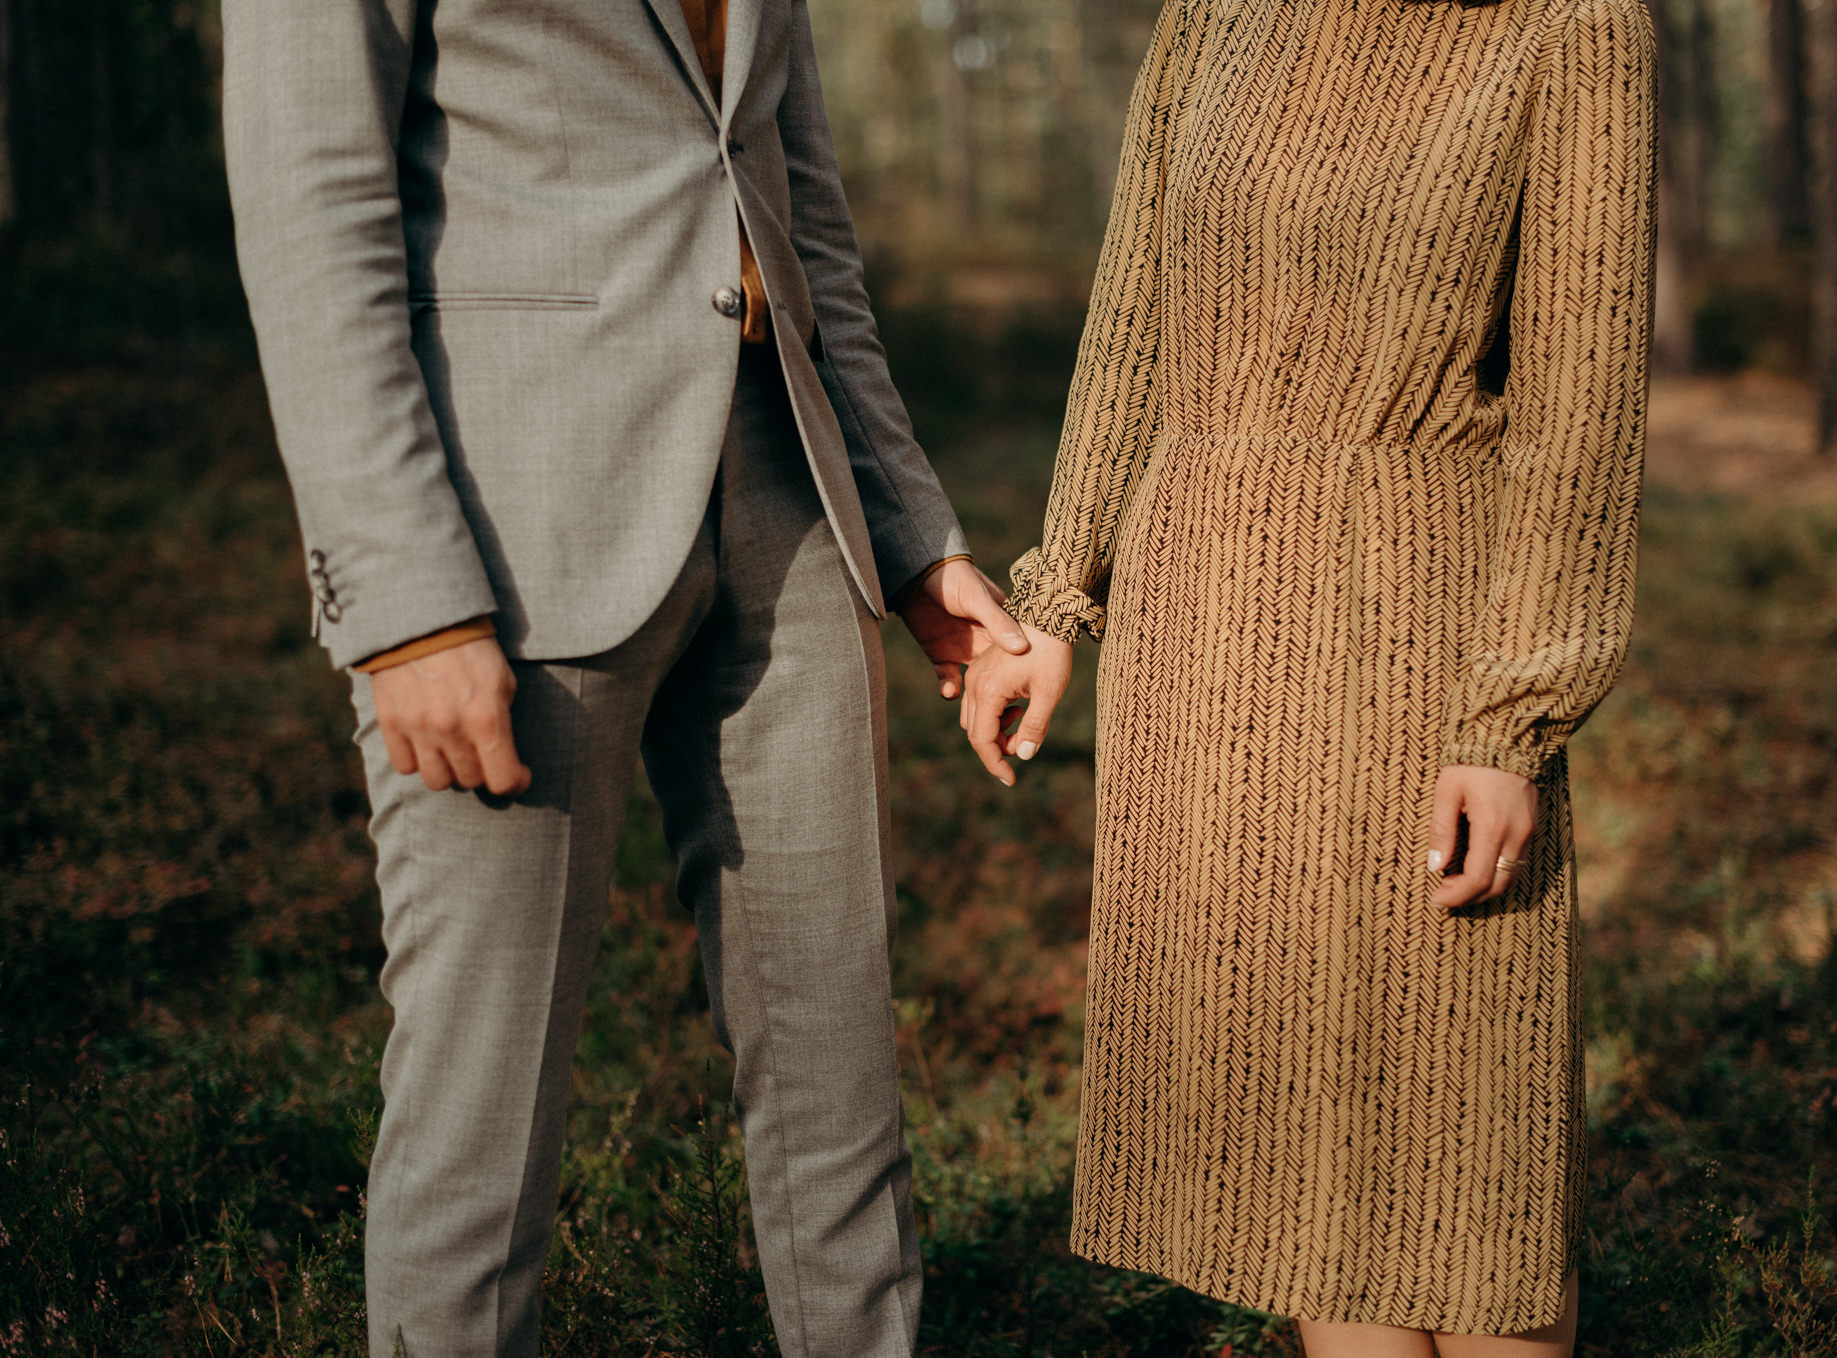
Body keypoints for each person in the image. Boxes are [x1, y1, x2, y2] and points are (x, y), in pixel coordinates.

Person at [221, 1, 1024, 1354]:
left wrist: (909, 534)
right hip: (509, 529)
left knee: (840, 1072)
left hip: (785, 498)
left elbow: (798, 204)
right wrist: (409, 608)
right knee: (481, 1103)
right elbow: (312, 210)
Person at [962, 0, 1656, 1352]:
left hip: (1418, 634)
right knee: (1305, 1171)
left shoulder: (1574, 26)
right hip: (1205, 636)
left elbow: (1583, 405)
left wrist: (1514, 718)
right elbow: (1131, 319)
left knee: (1470, 1163)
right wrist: (1056, 597)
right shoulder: (1220, 11)